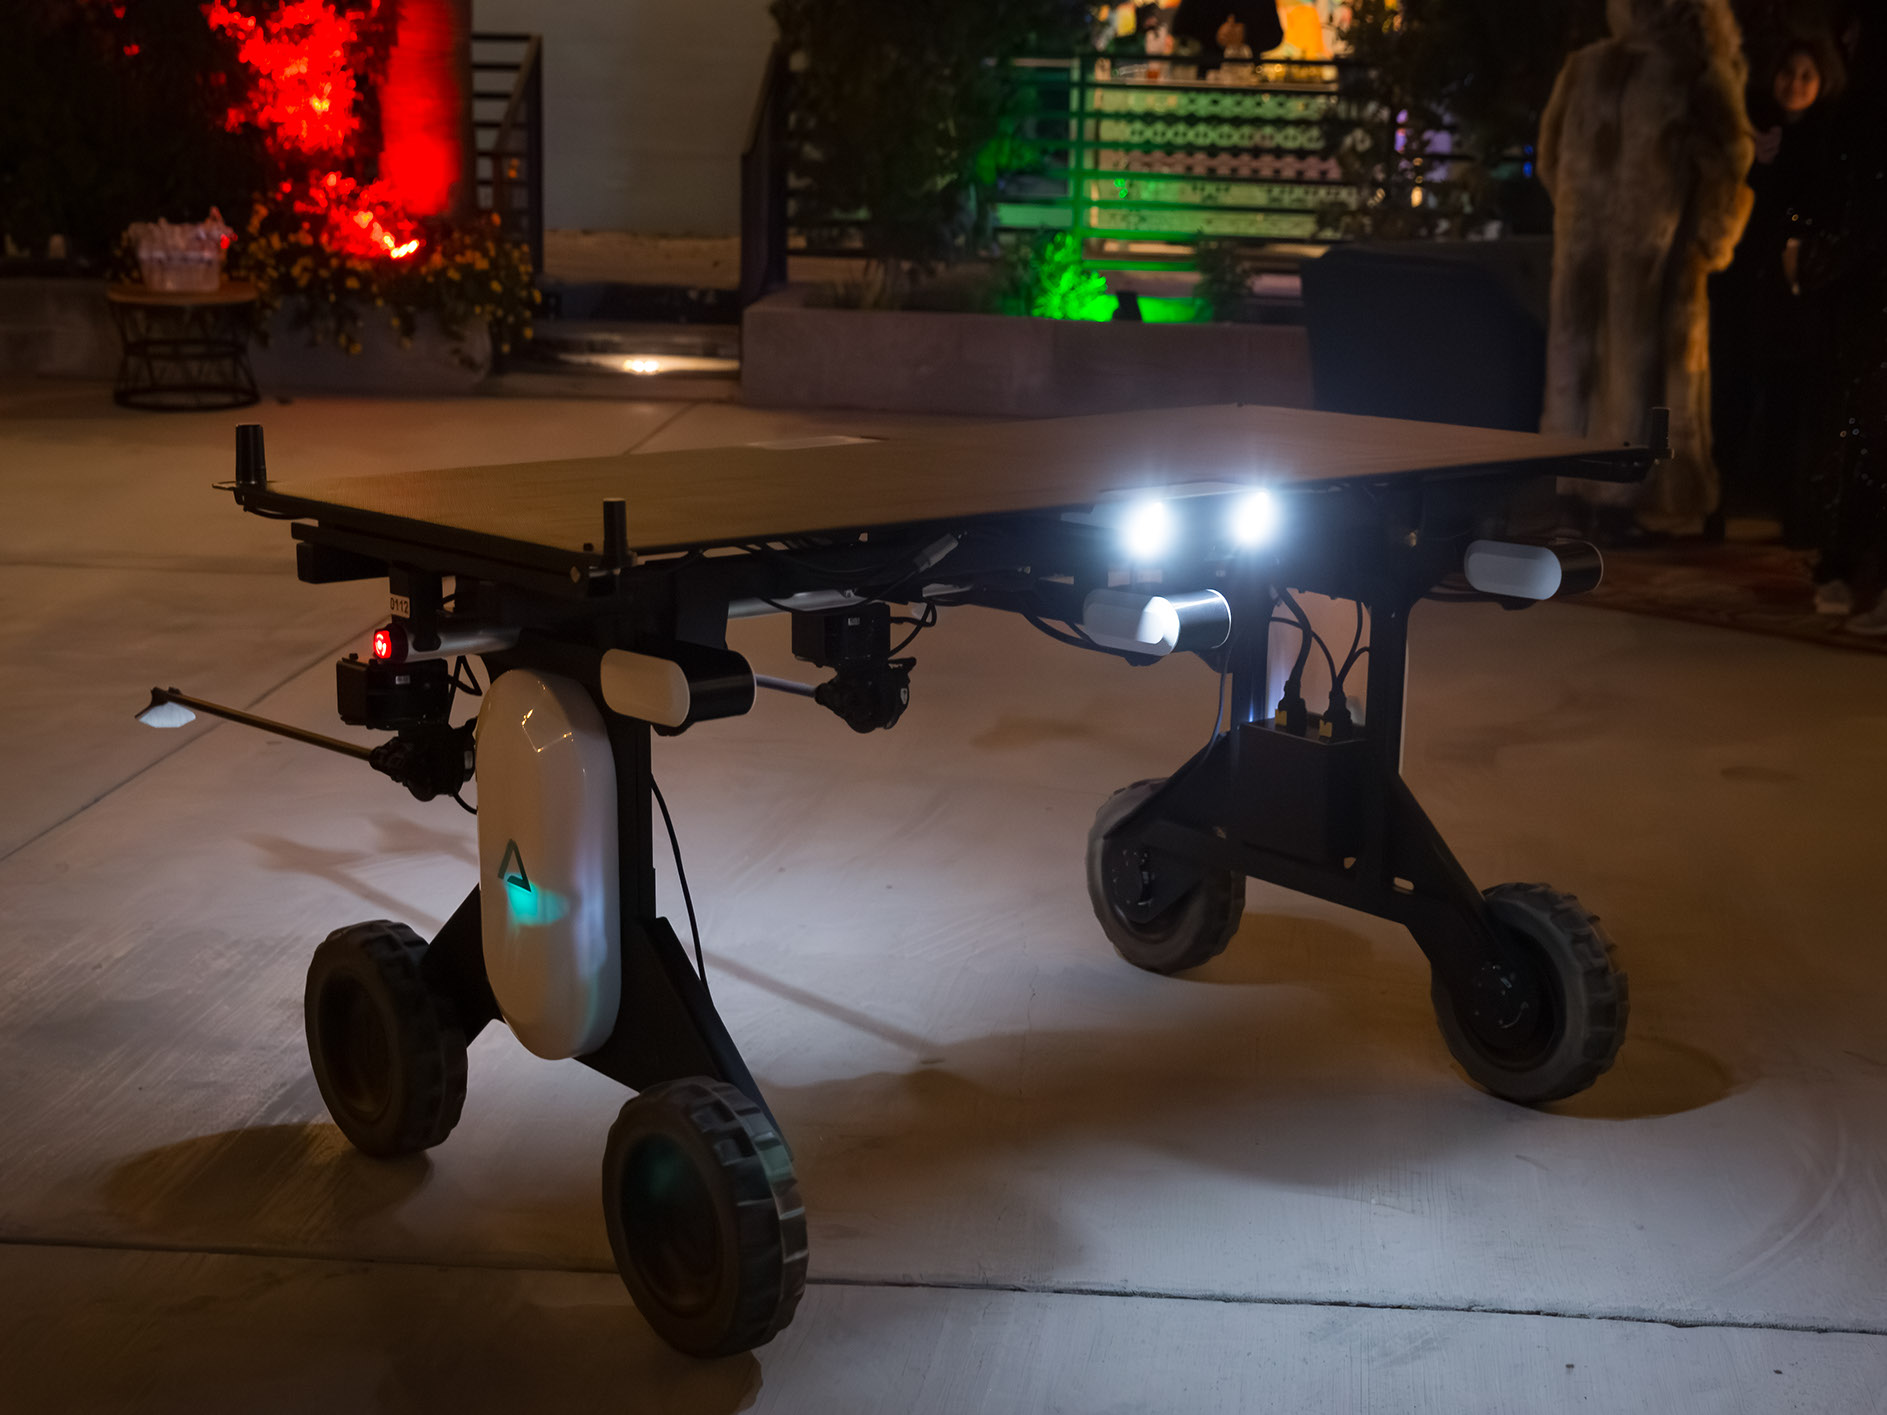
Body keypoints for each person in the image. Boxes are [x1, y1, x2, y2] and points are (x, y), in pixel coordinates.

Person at [1538, 0, 1755, 545]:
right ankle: (1631, 499)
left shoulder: (1583, 68)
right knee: (1648, 372)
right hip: (1656, 256)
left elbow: (1549, 158)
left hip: (1584, 253)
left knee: (1576, 368)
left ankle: (1575, 494)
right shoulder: (1695, 72)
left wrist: (1581, 216)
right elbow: (1731, 160)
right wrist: (1708, 242)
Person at [1708, 36, 1841, 542]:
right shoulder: (1750, 125)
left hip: (1794, 291)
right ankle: (1717, 503)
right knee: (1730, 398)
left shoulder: (1827, 137)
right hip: (1743, 281)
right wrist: (1754, 161)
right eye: (1789, 72)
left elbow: (1820, 205)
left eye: (1807, 75)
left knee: (1788, 401)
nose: (1795, 84)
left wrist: (1798, 239)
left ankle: (1790, 509)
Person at [1797, 4, 1887, 632]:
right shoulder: (1852, 112)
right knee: (1858, 427)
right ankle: (1848, 564)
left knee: (1867, 428)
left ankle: (1856, 568)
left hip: (1866, 283)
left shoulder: (1861, 111)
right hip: (1860, 288)